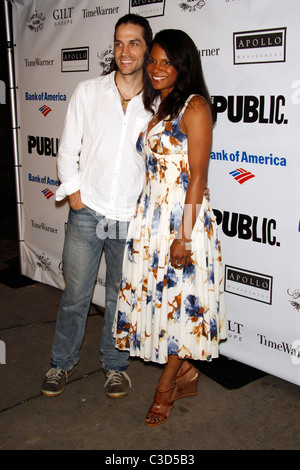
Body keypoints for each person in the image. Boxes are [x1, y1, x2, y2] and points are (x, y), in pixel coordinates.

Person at [113, 29, 227, 426]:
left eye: (166, 62)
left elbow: (197, 176)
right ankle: (187, 371)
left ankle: (166, 388)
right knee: (160, 302)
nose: (156, 68)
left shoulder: (194, 107)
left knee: (179, 306)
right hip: (151, 222)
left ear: (184, 65)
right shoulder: (160, 106)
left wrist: (184, 235)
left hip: (182, 223)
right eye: (153, 60)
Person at [41, 14, 155, 399]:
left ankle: (116, 366)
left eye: (134, 43)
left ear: (147, 48)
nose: (125, 51)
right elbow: (67, 149)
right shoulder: (88, 91)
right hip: (87, 212)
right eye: (119, 43)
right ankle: (61, 363)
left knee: (118, 297)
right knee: (75, 294)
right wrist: (74, 194)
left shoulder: (158, 103)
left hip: (130, 217)